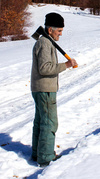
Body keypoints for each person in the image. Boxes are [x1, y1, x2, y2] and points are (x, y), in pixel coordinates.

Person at [31, 12, 77, 167]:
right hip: (45, 89)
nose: (60, 34)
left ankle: (38, 153)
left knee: (41, 121)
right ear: (50, 30)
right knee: (50, 122)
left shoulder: (45, 42)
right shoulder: (44, 43)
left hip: (41, 88)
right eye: (59, 31)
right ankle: (46, 156)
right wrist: (66, 65)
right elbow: (44, 68)